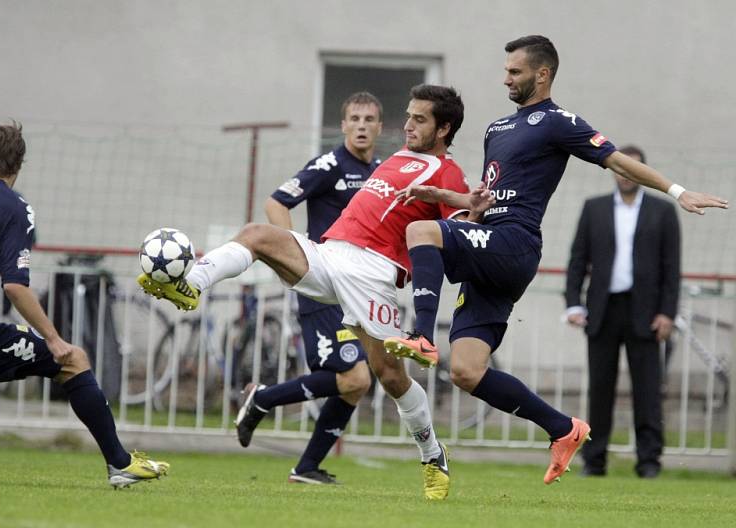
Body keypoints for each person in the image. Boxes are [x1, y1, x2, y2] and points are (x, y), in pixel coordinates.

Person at [384, 35, 727, 486]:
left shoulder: (557, 122)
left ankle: (422, 338)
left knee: (420, 231)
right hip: (490, 240)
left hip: (514, 244)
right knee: (467, 370)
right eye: (505, 70)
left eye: (515, 71)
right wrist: (446, 197)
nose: (505, 78)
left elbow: (618, 162)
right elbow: (486, 200)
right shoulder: (497, 129)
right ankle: (564, 429)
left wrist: (678, 192)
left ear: (542, 74)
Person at [139, 84, 492, 500]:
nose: (408, 124)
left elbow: (463, 227)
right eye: (408, 115)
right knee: (257, 234)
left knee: (390, 376)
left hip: (371, 275)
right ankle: (191, 285)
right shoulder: (396, 157)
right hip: (328, 254)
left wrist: (465, 206)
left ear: (444, 127)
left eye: (419, 119)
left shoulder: (448, 173)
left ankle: (432, 455)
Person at [0, 122, 168, 487]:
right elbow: (15, 286)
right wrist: (55, 339)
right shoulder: (14, 206)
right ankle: (120, 464)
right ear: (18, 165)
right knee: (73, 360)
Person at [236, 92, 382, 485]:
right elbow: (276, 202)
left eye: (370, 119)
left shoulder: (382, 172)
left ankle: (306, 467)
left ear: (380, 127)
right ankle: (263, 399)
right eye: (355, 118)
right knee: (356, 378)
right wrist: (299, 251)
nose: (363, 125)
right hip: (325, 287)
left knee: (354, 385)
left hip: (358, 289)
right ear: (344, 124)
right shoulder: (330, 164)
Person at [565, 145, 680, 478]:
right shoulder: (594, 208)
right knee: (600, 388)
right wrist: (574, 303)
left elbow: (671, 268)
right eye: (621, 167)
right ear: (613, 170)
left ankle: (648, 461)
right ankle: (594, 459)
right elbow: (577, 261)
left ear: (642, 172)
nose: (625, 173)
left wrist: (667, 313)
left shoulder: (662, 211)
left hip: (646, 312)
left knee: (647, 389)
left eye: (633, 168)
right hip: (603, 310)